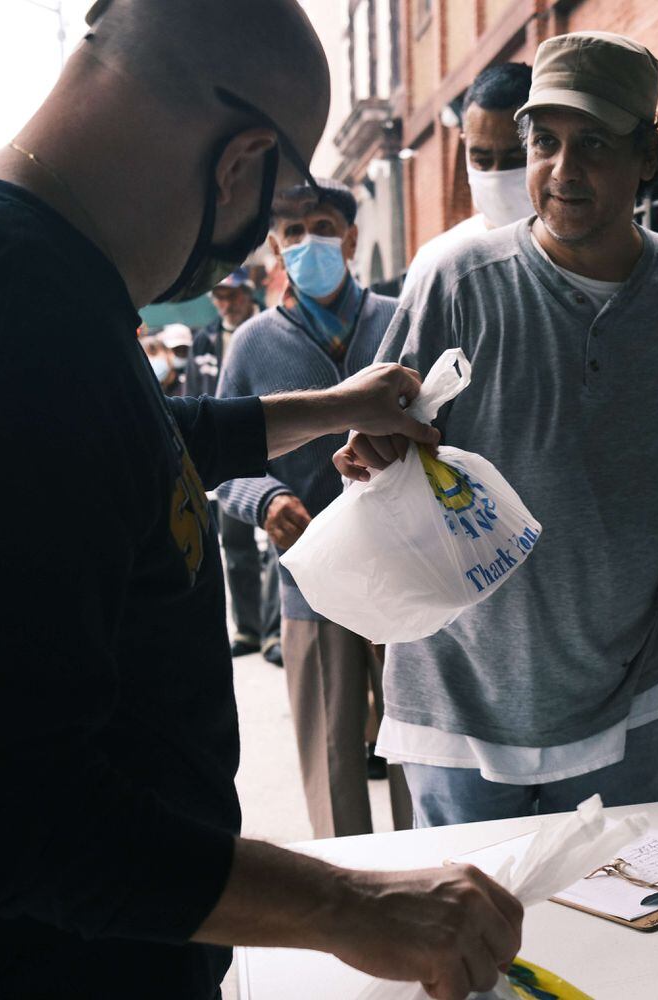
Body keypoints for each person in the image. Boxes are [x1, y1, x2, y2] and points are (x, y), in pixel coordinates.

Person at [0, 3, 521, 998]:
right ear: (242, 160)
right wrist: (353, 907)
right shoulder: (7, 318)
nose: (253, 247)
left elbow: (119, 445)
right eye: (275, 209)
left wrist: (323, 407)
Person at [338, 31, 658, 829]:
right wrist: (375, 454)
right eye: (545, 142)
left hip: (629, 689)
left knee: (619, 928)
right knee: (470, 943)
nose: (562, 169)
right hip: (460, 690)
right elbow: (383, 438)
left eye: (593, 144)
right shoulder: (455, 281)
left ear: (649, 157)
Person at [216, 177, 405, 839]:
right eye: (292, 233)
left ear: (351, 238)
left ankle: (434, 874)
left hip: (408, 573)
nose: (307, 243)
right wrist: (266, 499)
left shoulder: (399, 320)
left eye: (321, 226)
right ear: (274, 248)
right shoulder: (252, 346)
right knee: (332, 759)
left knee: (419, 750)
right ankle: (354, 892)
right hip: (310, 582)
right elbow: (220, 466)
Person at [190, 267, 283, 663]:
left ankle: (274, 630)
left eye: (233, 296)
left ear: (248, 294)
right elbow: (193, 393)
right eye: (220, 297)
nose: (227, 304)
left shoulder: (270, 329)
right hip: (222, 453)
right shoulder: (206, 340)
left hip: (266, 442)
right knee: (235, 542)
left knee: (278, 537)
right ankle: (247, 627)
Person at [401, 62, 533, 295]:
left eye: (515, 159)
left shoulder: (592, 257)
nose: (496, 174)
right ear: (465, 144)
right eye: (481, 160)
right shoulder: (436, 265)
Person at [159, 322, 194, 395]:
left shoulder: (194, 374)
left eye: (184, 349)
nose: (181, 353)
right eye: (176, 349)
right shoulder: (159, 374)